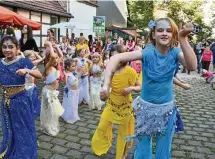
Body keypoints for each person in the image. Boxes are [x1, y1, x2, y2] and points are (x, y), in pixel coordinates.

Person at [101, 18, 197, 158]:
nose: (164, 33)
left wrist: (183, 38)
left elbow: (192, 66)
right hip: (146, 110)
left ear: (173, 34)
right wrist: (106, 85)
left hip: (167, 110)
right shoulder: (147, 53)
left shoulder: (175, 53)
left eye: (169, 31)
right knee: (144, 146)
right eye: (160, 30)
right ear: (153, 34)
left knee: (164, 148)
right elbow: (116, 58)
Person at [0, 35, 42, 158]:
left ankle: (24, 153)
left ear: (17, 48)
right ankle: (12, 149)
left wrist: (27, 71)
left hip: (21, 101)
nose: (7, 50)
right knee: (10, 127)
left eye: (11, 47)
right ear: (1, 49)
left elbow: (39, 74)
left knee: (23, 128)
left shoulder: (23, 61)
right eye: (4, 47)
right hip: (6, 102)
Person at [92, 45, 141, 159]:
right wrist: (105, 93)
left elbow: (140, 86)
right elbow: (106, 86)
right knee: (102, 127)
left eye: (118, 57)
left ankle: (121, 155)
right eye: (112, 57)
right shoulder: (109, 70)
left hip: (125, 107)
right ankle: (100, 146)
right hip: (111, 105)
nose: (115, 60)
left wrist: (131, 88)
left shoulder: (130, 72)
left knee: (123, 134)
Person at [40, 40, 64, 136]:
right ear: (48, 59)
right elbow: (54, 56)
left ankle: (52, 125)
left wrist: (57, 46)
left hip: (53, 92)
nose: (55, 60)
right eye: (52, 59)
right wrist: (50, 45)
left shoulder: (55, 67)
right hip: (48, 92)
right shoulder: (48, 66)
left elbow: (61, 56)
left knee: (54, 111)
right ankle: (48, 126)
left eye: (56, 59)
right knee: (50, 110)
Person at [61, 58, 80, 124]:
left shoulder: (72, 73)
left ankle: (73, 116)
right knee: (70, 104)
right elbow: (65, 82)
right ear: (67, 67)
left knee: (74, 104)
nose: (74, 67)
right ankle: (68, 117)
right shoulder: (67, 74)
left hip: (75, 91)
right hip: (70, 91)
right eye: (72, 66)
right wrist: (65, 75)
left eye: (74, 66)